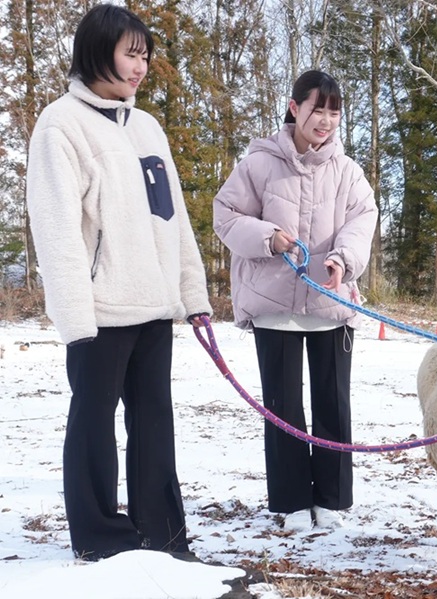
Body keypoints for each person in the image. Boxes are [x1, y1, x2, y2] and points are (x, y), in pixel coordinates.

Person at [25, 4, 212, 561]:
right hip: (100, 310)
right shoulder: (61, 123)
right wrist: (74, 319)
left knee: (155, 425)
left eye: (146, 56)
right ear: (97, 49)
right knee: (93, 425)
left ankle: (163, 536)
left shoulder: (147, 127)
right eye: (132, 53)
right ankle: (101, 538)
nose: (141, 66)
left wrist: (192, 296)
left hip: (153, 307)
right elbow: (56, 229)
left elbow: (172, 219)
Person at [213, 70, 377, 532]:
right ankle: (288, 502)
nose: (324, 121)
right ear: (294, 107)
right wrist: (268, 237)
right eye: (316, 109)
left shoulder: (348, 172)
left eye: (333, 112)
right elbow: (225, 215)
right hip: (273, 303)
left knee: (332, 404)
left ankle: (331, 500)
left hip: (330, 304)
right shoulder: (260, 163)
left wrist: (343, 259)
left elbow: (364, 218)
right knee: (283, 407)